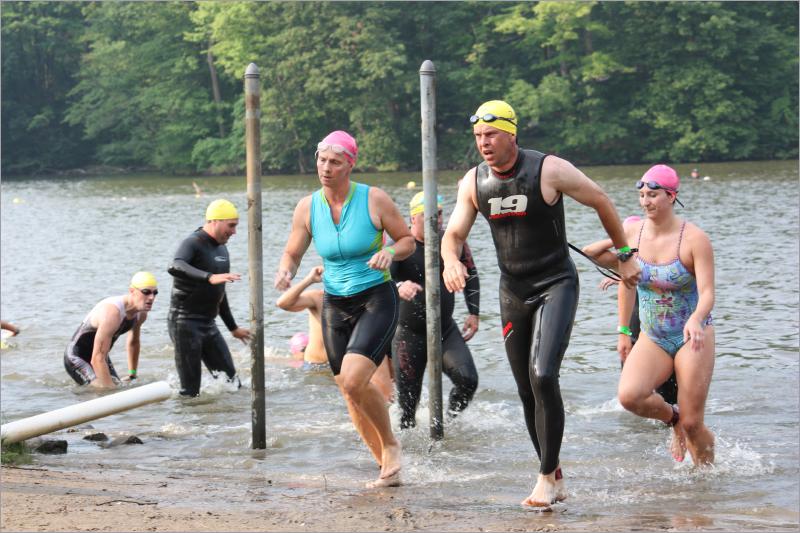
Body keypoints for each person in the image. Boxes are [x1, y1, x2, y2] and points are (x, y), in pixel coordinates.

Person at [441, 100, 640, 508]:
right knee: (526, 389)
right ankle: (555, 475)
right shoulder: (473, 183)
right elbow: (453, 234)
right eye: (478, 137)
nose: (484, 144)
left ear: (512, 133)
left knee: (544, 373)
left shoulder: (548, 169)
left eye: (491, 135)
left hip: (556, 283)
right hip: (513, 291)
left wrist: (625, 253)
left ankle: (545, 479)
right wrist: (449, 261)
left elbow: (600, 198)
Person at [275, 130, 415, 488]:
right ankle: (384, 467)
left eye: (335, 162)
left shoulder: (374, 199)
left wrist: (391, 252)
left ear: (350, 164)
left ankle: (391, 445)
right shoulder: (308, 207)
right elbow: (293, 250)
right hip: (335, 302)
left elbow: (407, 240)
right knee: (347, 389)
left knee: (355, 378)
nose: (326, 167)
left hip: (375, 297)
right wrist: (287, 269)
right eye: (322, 160)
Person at [616, 164, 715, 466]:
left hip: (691, 337)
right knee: (630, 396)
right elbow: (627, 281)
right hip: (652, 336)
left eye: (654, 195)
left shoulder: (695, 239)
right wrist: (623, 331)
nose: (646, 201)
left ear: (671, 196)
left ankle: (706, 483)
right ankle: (672, 418)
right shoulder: (632, 231)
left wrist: (697, 317)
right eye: (642, 195)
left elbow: (708, 291)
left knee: (693, 424)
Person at [391, 191, 480, 429]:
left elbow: (471, 275)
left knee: (468, 380)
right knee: (407, 408)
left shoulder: (450, 243)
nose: (437, 220)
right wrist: (398, 286)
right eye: (429, 215)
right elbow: (379, 281)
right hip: (409, 334)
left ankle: (448, 424)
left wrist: (474, 312)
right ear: (413, 218)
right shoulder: (401, 247)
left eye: (439, 214)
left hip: (445, 330)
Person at [582, 215, 678, 406]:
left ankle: (670, 422)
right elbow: (589, 251)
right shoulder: (624, 264)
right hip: (633, 332)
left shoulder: (661, 260)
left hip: (663, 334)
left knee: (669, 398)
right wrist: (621, 240)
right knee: (631, 396)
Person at [167, 199, 252, 397]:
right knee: (190, 391)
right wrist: (209, 277)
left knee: (232, 384)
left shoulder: (222, 250)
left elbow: (220, 294)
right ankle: (190, 426)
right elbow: (175, 266)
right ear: (214, 221)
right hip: (184, 323)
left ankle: (224, 423)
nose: (234, 232)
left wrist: (233, 328)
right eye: (231, 226)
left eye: (236, 226)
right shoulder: (193, 242)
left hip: (208, 324)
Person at [276, 265, 395, 402]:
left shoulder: (368, 301)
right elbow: (283, 303)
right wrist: (309, 279)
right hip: (317, 368)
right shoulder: (318, 297)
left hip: (346, 368)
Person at [64, 272, 157, 388]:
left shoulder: (141, 314)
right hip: (77, 357)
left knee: (118, 386)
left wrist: (132, 374)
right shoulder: (112, 313)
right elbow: (97, 358)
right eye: (146, 292)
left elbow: (133, 342)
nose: (152, 297)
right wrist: (109, 390)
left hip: (101, 355)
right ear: (132, 291)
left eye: (155, 293)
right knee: (104, 390)